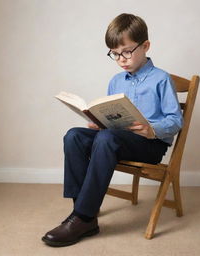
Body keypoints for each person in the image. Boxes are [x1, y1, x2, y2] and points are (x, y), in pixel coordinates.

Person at [42, 13, 183, 247]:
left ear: (145, 46)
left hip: (149, 145)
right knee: (74, 135)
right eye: (115, 54)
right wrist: (99, 121)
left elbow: (176, 120)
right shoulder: (116, 80)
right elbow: (112, 116)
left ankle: (83, 218)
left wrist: (151, 129)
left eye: (126, 51)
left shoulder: (161, 79)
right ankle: (82, 212)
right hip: (115, 139)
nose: (121, 59)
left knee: (107, 138)